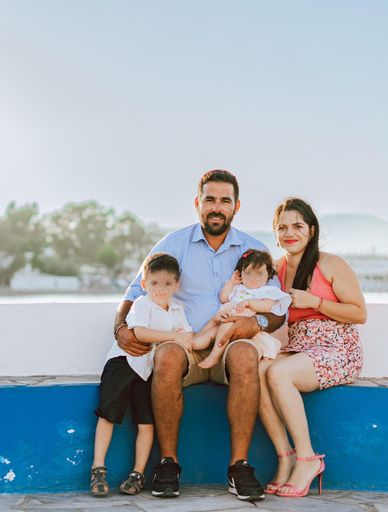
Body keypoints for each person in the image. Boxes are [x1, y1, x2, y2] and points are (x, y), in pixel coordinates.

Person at [114, 170, 286, 501]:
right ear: (198, 203)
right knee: (165, 355)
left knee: (245, 354)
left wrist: (258, 325)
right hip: (188, 344)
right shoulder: (172, 244)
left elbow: (279, 309)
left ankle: (239, 467)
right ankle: (167, 464)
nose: (217, 207)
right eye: (210, 199)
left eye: (225, 200)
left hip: (235, 342)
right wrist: (120, 327)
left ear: (236, 206)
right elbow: (135, 291)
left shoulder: (255, 250)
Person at [258, 197, 366, 498]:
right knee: (257, 369)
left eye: (297, 226)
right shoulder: (275, 270)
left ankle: (307, 459)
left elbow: (360, 313)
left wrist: (315, 302)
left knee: (278, 373)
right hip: (300, 345)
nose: (289, 233)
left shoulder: (330, 263)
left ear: (311, 230)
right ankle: (286, 457)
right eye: (282, 227)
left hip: (338, 347)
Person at [91, 253, 194, 496]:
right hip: (124, 364)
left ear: (176, 285)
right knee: (108, 414)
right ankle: (98, 468)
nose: (161, 289)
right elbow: (140, 333)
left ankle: (137, 473)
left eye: (168, 284)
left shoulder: (178, 310)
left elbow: (188, 336)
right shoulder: (141, 303)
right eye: (155, 283)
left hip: (148, 370)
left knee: (146, 421)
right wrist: (174, 336)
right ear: (145, 284)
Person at [198, 249, 291, 369]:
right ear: (240, 273)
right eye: (248, 273)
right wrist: (232, 282)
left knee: (225, 328)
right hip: (223, 322)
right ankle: (192, 345)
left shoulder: (266, 291)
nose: (253, 278)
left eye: (258, 274)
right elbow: (223, 298)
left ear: (268, 275)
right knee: (209, 334)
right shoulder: (238, 288)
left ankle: (214, 356)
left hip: (241, 324)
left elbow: (267, 306)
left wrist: (249, 302)